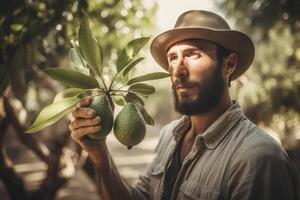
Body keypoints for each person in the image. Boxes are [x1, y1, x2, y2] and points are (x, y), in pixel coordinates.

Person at [68, 10, 300, 200]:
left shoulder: (258, 159)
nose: (177, 70)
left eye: (193, 54)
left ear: (228, 65)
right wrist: (99, 154)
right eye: (172, 58)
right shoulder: (170, 135)